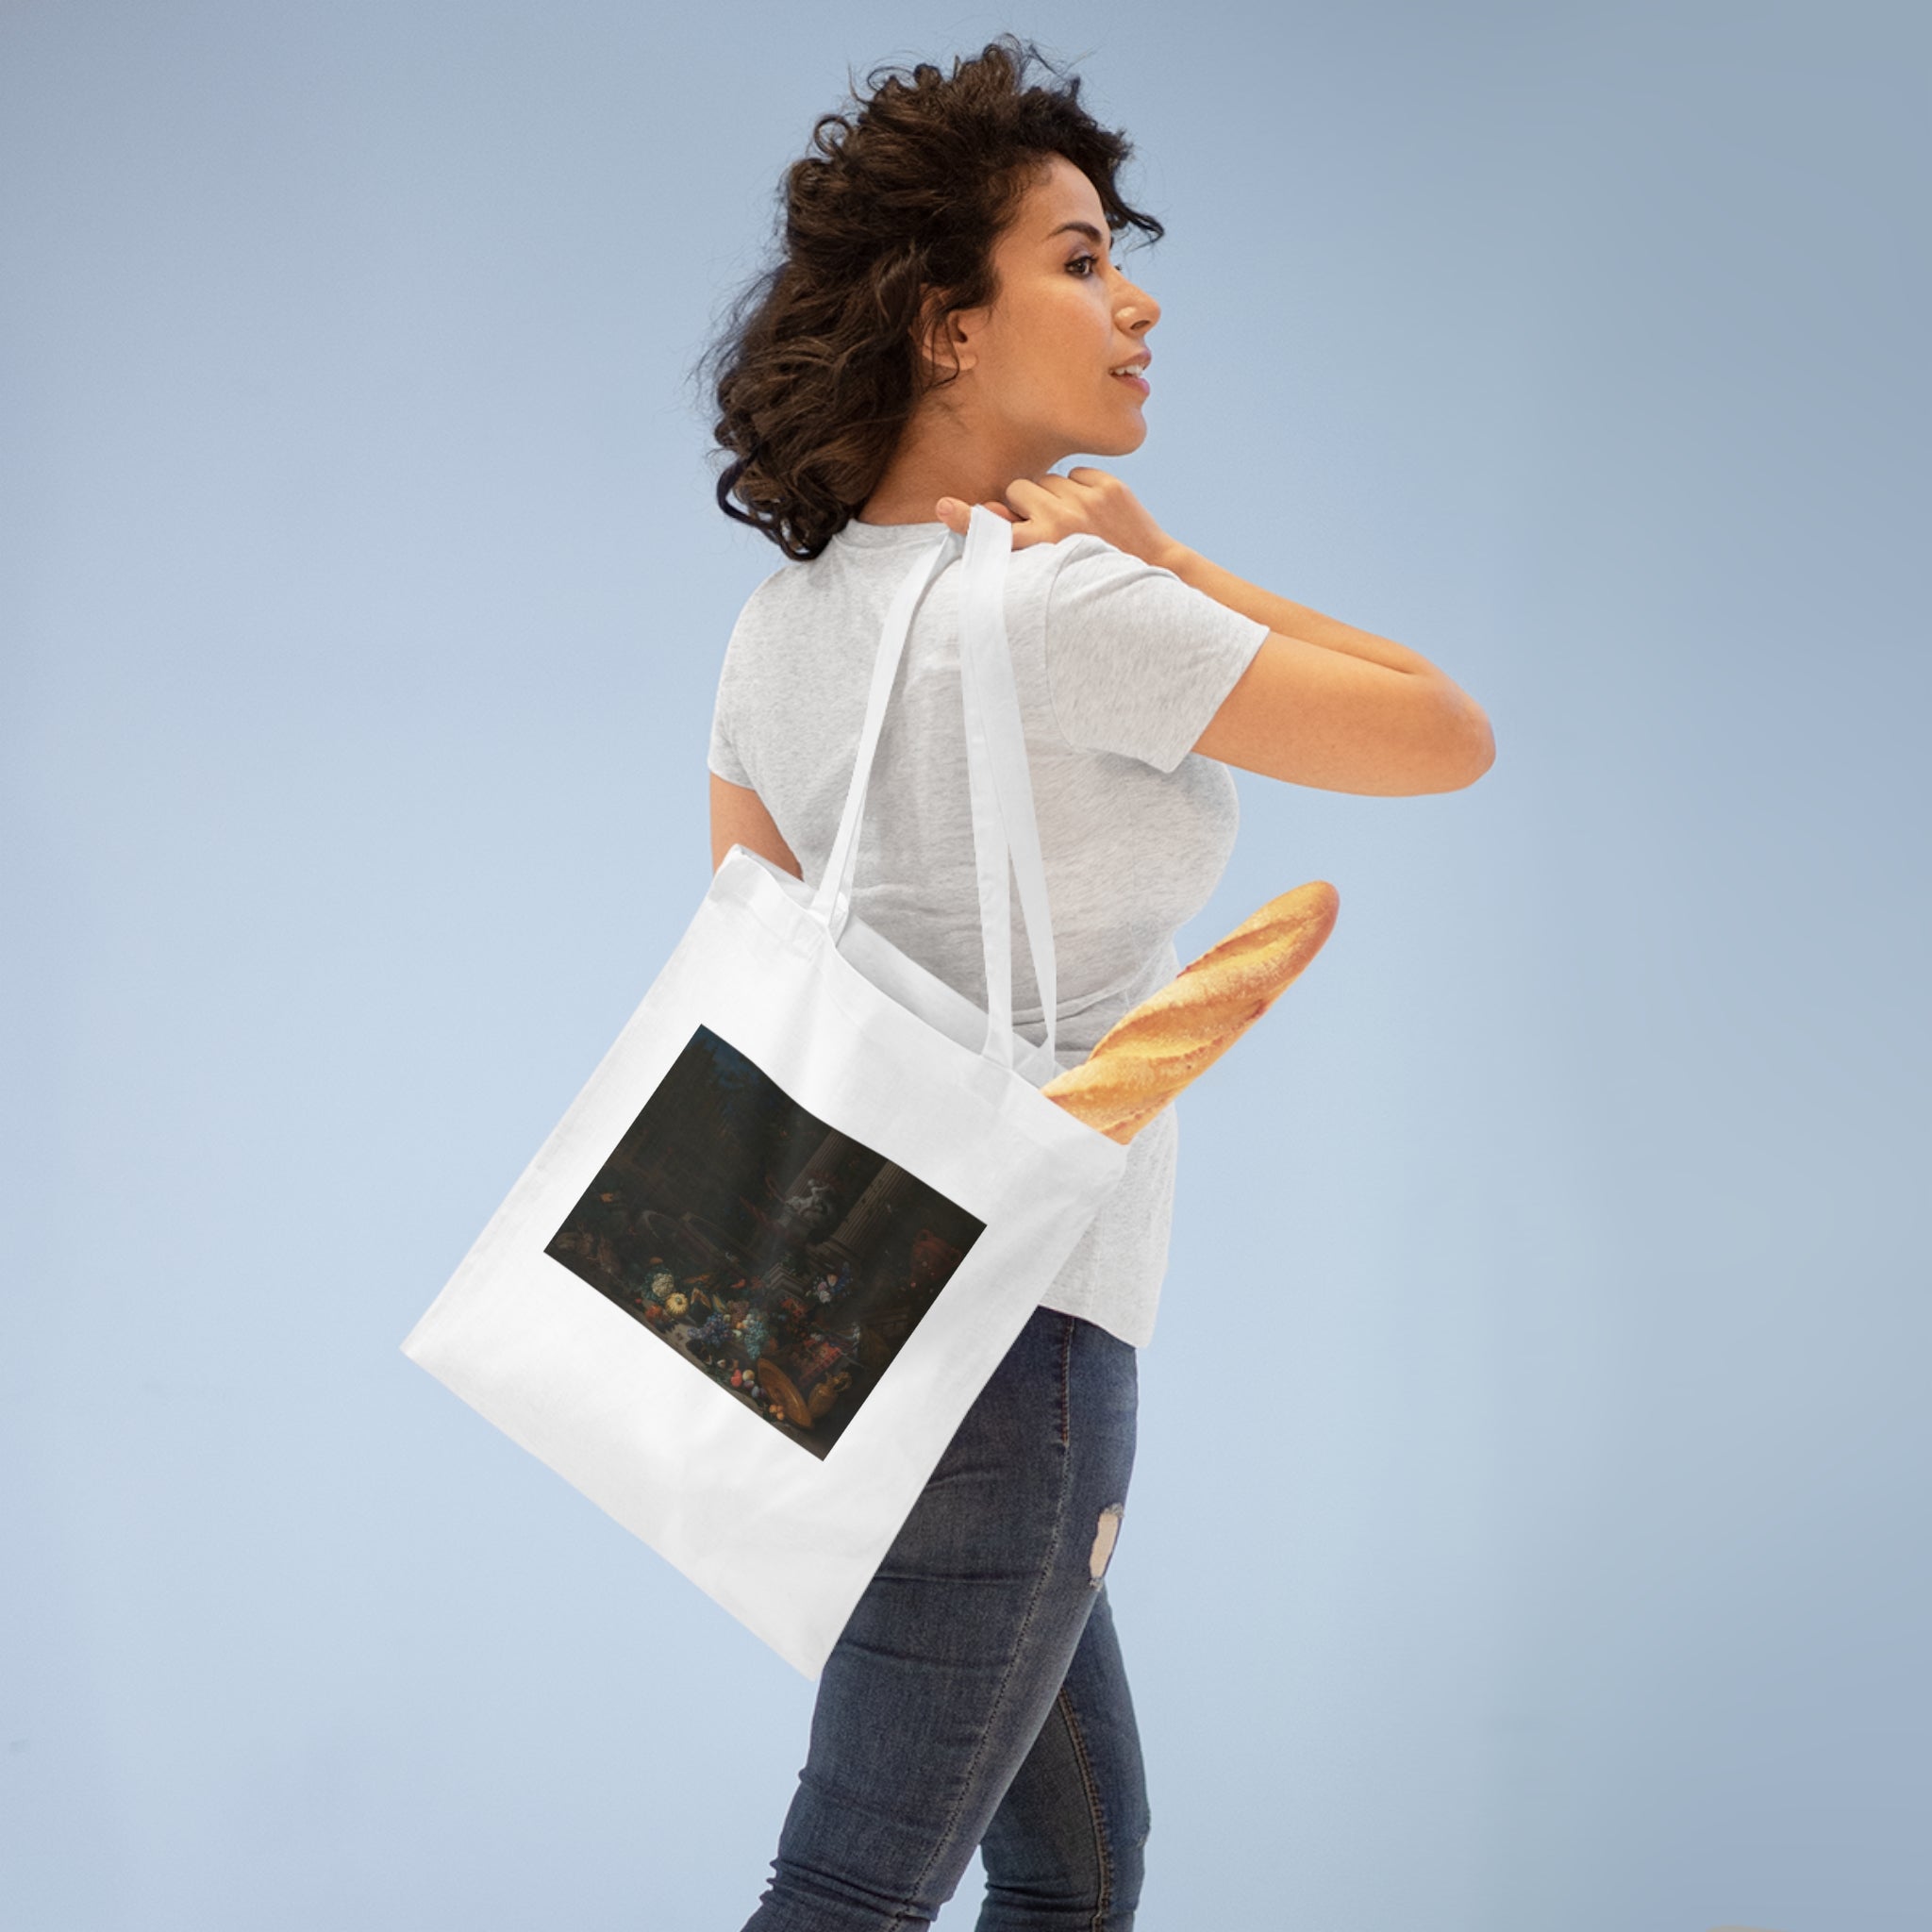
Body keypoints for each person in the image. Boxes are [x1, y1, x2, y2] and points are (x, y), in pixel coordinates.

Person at [695, 35, 1493, 1930]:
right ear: (944, 326)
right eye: (1073, 258)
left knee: (1073, 1860)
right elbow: (1447, 736)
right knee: (854, 1883)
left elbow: (745, 956)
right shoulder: (1066, 604)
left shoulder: (781, 623)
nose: (1133, 299)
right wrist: (1178, 562)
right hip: (1023, 1327)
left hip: (840, 1317)